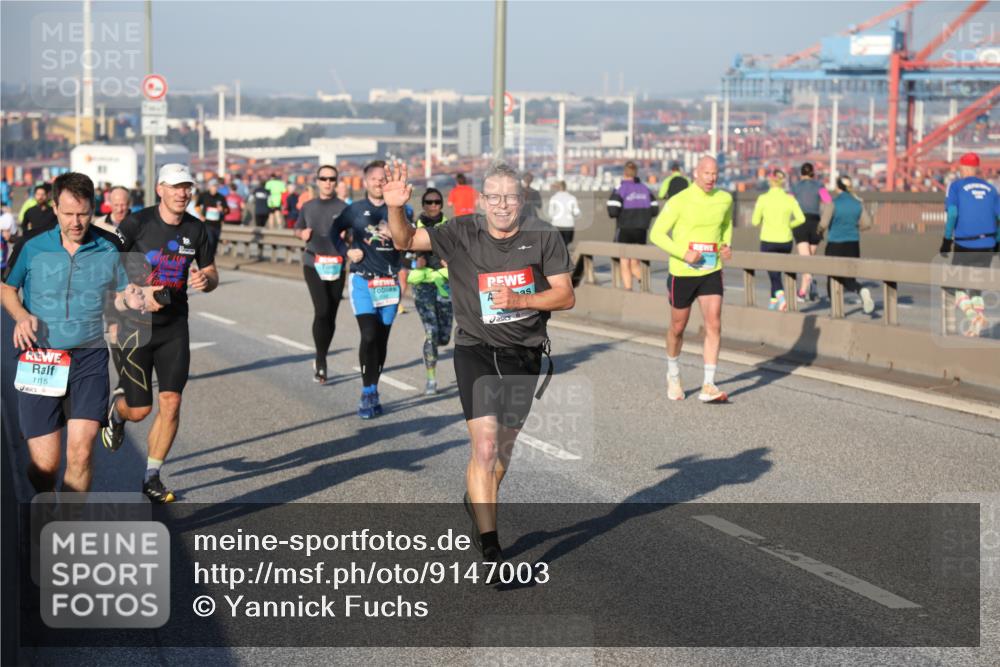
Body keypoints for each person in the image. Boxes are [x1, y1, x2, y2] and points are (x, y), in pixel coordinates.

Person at [385, 160, 575, 564]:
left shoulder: (544, 236)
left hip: (524, 353)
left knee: (501, 452)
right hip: (475, 349)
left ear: (522, 200)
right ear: (482, 200)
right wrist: (395, 208)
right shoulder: (460, 231)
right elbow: (404, 242)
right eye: (494, 197)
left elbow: (564, 295)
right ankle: (491, 546)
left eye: (510, 197)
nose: (502, 205)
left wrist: (522, 301)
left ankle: (478, 499)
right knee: (485, 447)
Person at [1, 172, 155, 494]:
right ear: (55, 207)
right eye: (68, 213)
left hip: (88, 357)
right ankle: (45, 496)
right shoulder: (31, 245)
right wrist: (21, 315)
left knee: (81, 453)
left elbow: (119, 296)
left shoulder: (110, 247)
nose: (76, 222)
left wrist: (130, 299)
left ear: (93, 209)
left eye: (83, 214)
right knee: (45, 467)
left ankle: (64, 530)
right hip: (40, 356)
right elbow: (6, 287)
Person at [100, 163, 219, 503]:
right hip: (134, 326)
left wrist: (205, 280)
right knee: (140, 409)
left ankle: (151, 476)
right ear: (160, 189)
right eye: (177, 187)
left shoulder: (197, 230)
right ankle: (118, 412)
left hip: (174, 326)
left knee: (172, 401)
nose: (183, 193)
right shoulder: (137, 223)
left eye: (188, 187)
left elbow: (211, 272)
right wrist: (118, 306)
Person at [649, 155, 732, 403]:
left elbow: (725, 225)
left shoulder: (725, 199)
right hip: (683, 272)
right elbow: (657, 234)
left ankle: (709, 384)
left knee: (714, 324)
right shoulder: (680, 200)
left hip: (710, 269)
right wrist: (683, 253)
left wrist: (726, 245)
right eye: (706, 173)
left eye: (715, 173)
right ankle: (673, 373)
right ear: (696, 173)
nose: (711, 178)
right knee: (678, 327)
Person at [330, 160, 405, 419]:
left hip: (389, 283)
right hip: (363, 280)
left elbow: (408, 242)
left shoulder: (401, 208)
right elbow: (333, 231)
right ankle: (366, 391)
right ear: (365, 182)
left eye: (383, 178)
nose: (379, 182)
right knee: (370, 334)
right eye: (374, 178)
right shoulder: (354, 210)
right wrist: (346, 251)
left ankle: (374, 388)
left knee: (382, 339)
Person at [294, 165, 347, 384]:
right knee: (322, 308)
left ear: (336, 182)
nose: (327, 182)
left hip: (337, 265)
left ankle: (321, 355)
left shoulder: (344, 208)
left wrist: (348, 236)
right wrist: (301, 233)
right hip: (313, 263)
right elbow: (297, 229)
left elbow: (354, 235)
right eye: (323, 178)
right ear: (317, 181)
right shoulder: (308, 206)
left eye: (331, 179)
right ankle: (321, 359)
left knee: (331, 315)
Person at [940, 152, 1000, 337]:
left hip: (965, 244)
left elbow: (952, 213)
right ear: (977, 168)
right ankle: (976, 326)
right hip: (987, 244)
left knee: (954, 285)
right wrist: (997, 241)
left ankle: (973, 316)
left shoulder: (956, 186)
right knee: (976, 286)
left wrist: (947, 238)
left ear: (963, 167)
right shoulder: (991, 189)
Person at [406, 188, 453, 395]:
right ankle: (431, 380)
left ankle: (436, 345)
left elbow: (462, 251)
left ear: (441, 204)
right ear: (423, 204)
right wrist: (415, 261)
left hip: (444, 283)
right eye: (429, 202)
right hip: (422, 283)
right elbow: (400, 252)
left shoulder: (451, 227)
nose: (433, 206)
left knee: (444, 337)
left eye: (437, 202)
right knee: (431, 332)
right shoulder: (413, 227)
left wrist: (450, 260)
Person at [819, 176, 875, 314]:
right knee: (849, 278)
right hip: (853, 244)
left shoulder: (833, 203)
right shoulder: (857, 203)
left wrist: (819, 231)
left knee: (832, 277)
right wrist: (855, 228)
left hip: (835, 245)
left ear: (838, 187)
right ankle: (861, 290)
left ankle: (836, 310)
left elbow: (824, 224)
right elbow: (867, 224)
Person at [751, 169, 805, 311]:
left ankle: (781, 298)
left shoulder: (763, 198)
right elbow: (801, 218)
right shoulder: (791, 198)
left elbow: (755, 221)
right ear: (783, 182)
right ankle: (773, 302)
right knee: (777, 272)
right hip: (786, 240)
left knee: (773, 274)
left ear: (770, 181)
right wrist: (788, 225)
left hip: (768, 240)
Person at [607, 161, 658, 290]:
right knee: (635, 261)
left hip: (625, 228)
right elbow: (654, 209)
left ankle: (628, 290)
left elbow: (612, 210)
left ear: (624, 173)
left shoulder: (621, 188)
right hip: (641, 230)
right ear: (636, 173)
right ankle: (643, 282)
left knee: (624, 260)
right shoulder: (645, 189)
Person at [791, 162, 832, 302]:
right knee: (810, 259)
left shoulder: (795, 187)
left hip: (800, 223)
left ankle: (802, 292)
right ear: (812, 173)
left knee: (805, 260)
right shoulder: (819, 186)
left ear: (801, 174)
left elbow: (789, 202)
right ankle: (811, 286)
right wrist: (825, 222)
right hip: (816, 223)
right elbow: (829, 202)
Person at [196, 179, 229, 257]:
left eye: (216, 186)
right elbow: (197, 206)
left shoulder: (221, 197)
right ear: (209, 187)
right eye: (213, 186)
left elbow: (227, 210)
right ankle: (207, 257)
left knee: (215, 242)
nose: (215, 188)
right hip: (207, 222)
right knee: (210, 240)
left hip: (217, 224)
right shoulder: (203, 195)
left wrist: (222, 210)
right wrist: (200, 215)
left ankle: (211, 257)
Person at [548, 180, 581, 247]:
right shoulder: (572, 198)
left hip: (556, 225)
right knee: (566, 244)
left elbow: (550, 213)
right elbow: (576, 212)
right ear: (565, 187)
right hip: (568, 225)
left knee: (557, 245)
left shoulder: (553, 198)